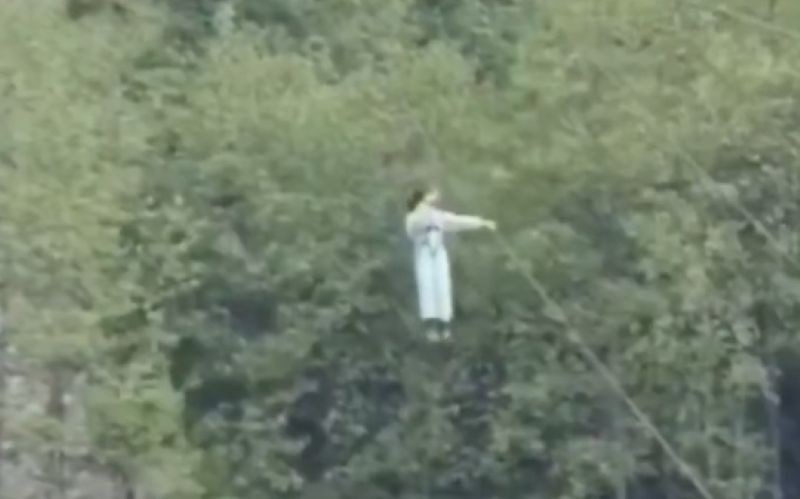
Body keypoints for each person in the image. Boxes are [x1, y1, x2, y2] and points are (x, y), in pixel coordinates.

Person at [404, 187, 496, 341]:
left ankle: (444, 324)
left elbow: (458, 221)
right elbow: (412, 228)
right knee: (427, 286)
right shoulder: (413, 217)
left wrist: (482, 223)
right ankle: (431, 325)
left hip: (438, 252)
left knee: (442, 285)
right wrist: (425, 214)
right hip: (424, 252)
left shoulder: (438, 216)